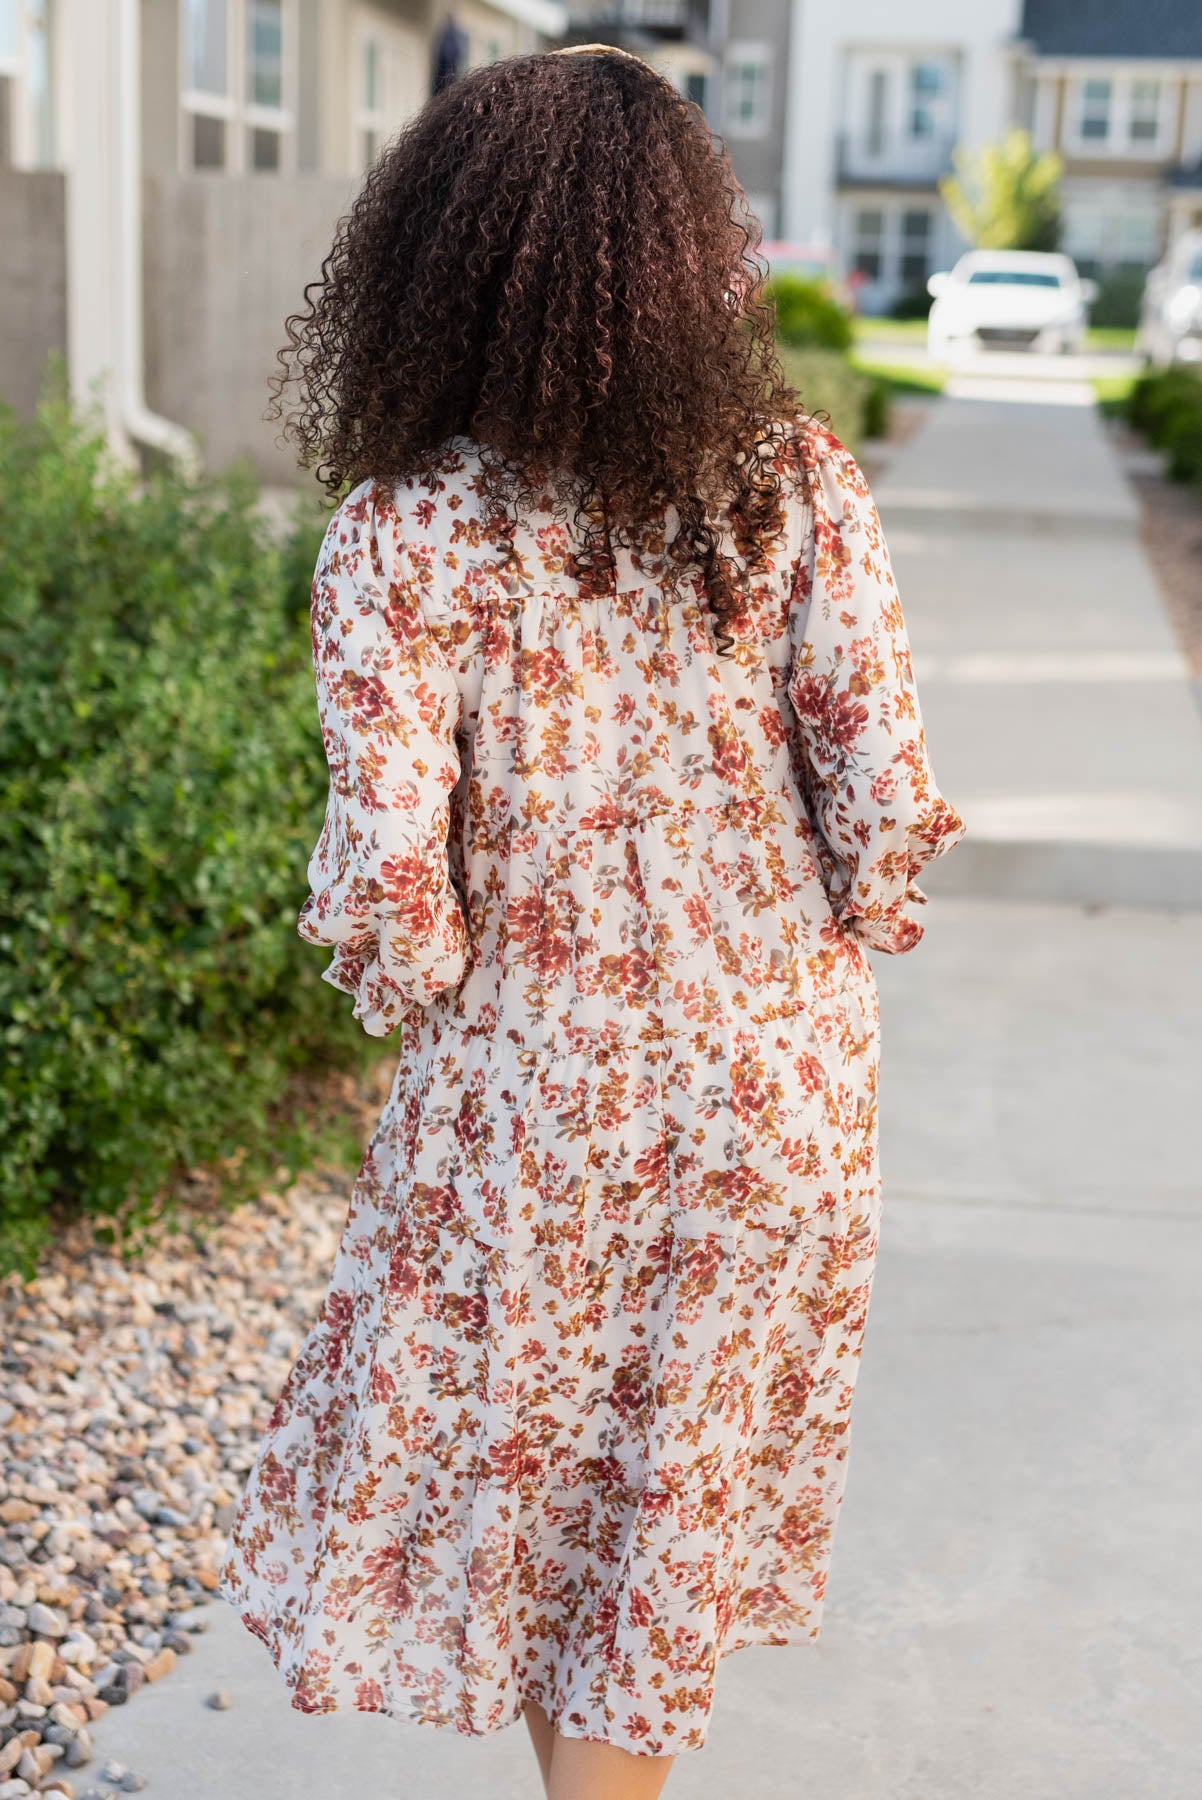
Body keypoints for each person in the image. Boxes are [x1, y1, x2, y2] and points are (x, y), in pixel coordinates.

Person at [218, 42, 966, 1800]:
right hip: (773, 1099)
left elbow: (395, 911)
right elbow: (881, 833)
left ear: (437, 259)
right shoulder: (789, 486)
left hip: (535, 1117)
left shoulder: (401, 536)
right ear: (682, 252)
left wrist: (472, 972)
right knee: (658, 1527)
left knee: (550, 1523)